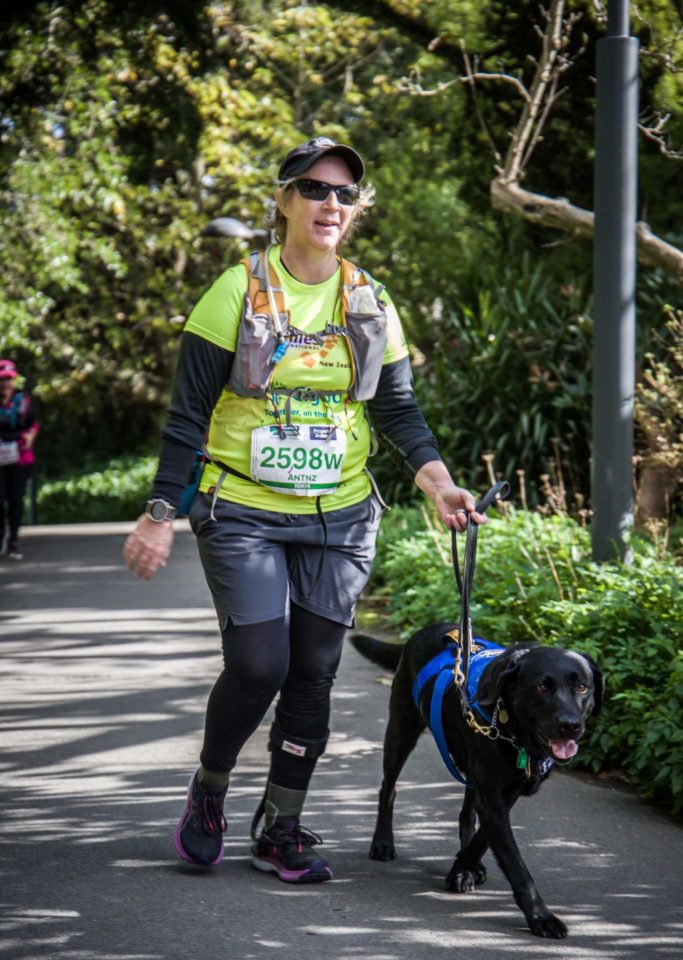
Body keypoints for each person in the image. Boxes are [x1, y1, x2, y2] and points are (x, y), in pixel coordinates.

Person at [123, 136, 486, 883]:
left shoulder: (371, 301)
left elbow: (399, 412)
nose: (330, 204)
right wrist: (161, 511)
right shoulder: (234, 290)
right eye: (315, 189)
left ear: (356, 211)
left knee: (315, 671)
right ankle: (211, 790)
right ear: (283, 199)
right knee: (260, 663)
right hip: (242, 506)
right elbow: (188, 415)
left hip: (341, 513)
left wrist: (440, 483)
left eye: (344, 194)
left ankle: (282, 825)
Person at [0, 359, 38, 561]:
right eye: (2, 380)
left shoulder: (23, 402)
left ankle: (13, 541)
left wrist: (30, 436)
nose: (5, 384)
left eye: (8, 379)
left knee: (15, 500)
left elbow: (33, 425)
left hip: (19, 457)